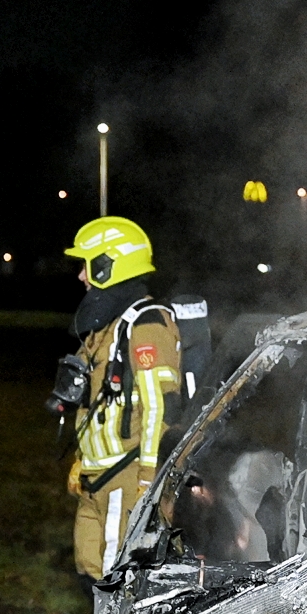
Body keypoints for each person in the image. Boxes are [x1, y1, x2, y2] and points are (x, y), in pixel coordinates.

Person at [55, 217, 181, 586]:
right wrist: (83, 460)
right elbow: (97, 402)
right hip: (98, 477)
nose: (81, 276)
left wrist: (146, 482)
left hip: (126, 478)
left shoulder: (147, 323)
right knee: (91, 568)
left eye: (87, 265)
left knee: (117, 580)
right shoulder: (109, 325)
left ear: (110, 265)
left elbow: (159, 406)